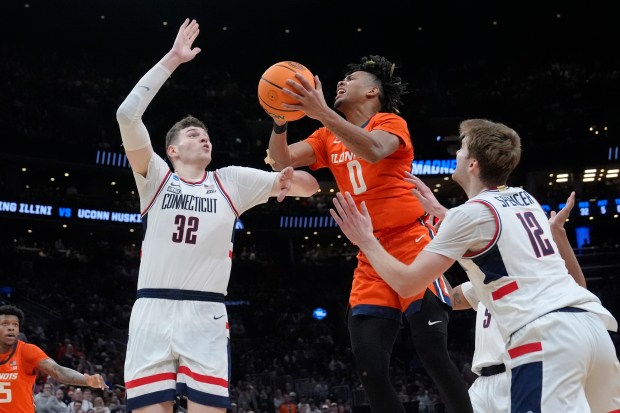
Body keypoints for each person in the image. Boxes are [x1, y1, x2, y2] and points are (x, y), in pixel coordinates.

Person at [330, 118, 620, 411]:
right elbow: (488, 232)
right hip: (593, 327)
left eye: (461, 149)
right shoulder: (524, 198)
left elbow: (407, 282)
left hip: (546, 336)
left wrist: (366, 240)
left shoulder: (467, 215)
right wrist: (441, 212)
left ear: (472, 165)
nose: (455, 154)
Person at [115, 18, 319, 413]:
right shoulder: (155, 177)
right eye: (191, 135)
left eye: (206, 134)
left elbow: (309, 187)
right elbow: (127, 115)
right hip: (152, 311)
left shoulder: (231, 182)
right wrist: (172, 60)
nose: (202, 136)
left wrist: (292, 181)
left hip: (205, 312)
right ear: (171, 150)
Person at [264, 55, 472, 413]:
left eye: (352, 78)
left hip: (414, 241)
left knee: (432, 350)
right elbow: (280, 159)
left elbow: (374, 150)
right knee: (370, 369)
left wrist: (322, 111)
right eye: (341, 78)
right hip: (370, 250)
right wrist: (280, 122)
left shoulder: (390, 122)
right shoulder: (326, 135)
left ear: (373, 90)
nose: (341, 82)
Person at [446, 192, 587, 412]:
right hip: (482, 383)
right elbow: (448, 299)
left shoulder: (533, 276)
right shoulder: (483, 281)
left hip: (518, 372)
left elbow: (578, 290)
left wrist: (558, 233)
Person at [0, 305, 107, 413]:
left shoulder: (26, 351)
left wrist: (87, 380)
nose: (11, 328)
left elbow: (58, 371)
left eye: (15, 325)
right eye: (5, 324)